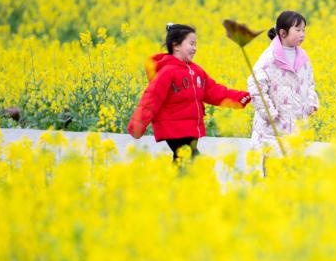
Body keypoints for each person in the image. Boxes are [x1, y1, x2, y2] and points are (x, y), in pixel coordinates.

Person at [128, 23, 251, 160]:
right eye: (191, 44)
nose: (195, 48)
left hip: (191, 130)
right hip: (174, 129)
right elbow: (151, 99)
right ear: (176, 46)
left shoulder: (196, 71)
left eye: (196, 44)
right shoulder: (167, 72)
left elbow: (215, 91)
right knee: (193, 163)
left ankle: (173, 181)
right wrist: (138, 125)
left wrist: (243, 97)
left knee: (183, 164)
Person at [247, 10, 319, 151]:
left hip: (296, 126)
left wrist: (311, 102)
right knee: (273, 167)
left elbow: (309, 82)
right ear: (283, 33)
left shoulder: (303, 57)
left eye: (304, 30)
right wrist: (269, 113)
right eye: (298, 30)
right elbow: (255, 85)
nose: (302, 34)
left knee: (291, 167)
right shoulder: (270, 57)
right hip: (271, 129)